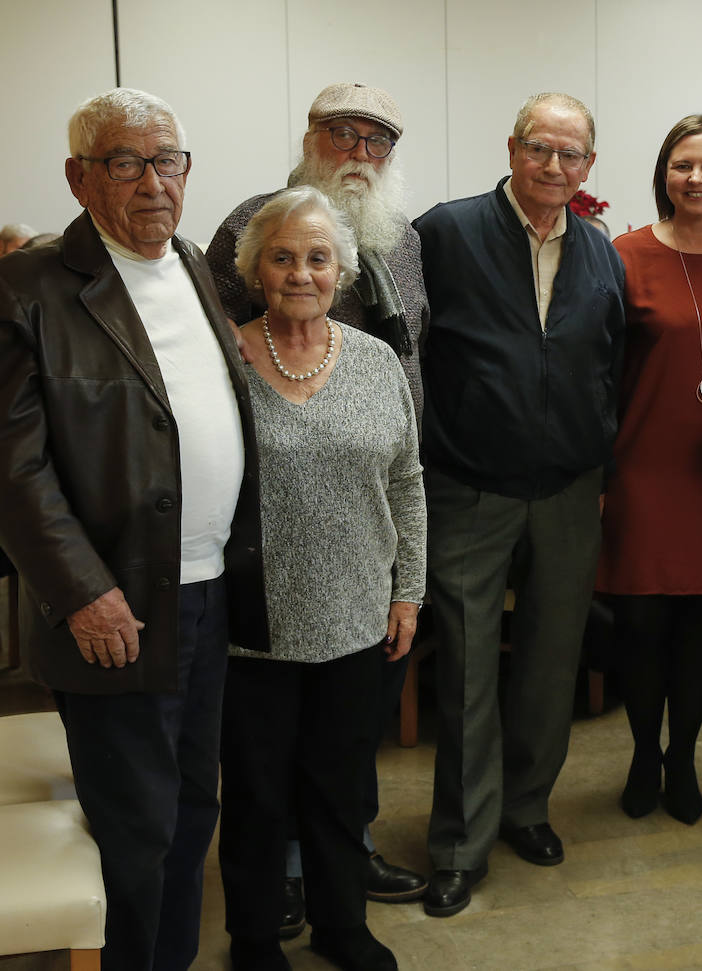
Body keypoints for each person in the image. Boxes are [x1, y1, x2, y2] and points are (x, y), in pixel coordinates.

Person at [0, 88, 267, 971]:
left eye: (169, 162)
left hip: (209, 591)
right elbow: (15, 469)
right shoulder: (28, 288)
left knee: (194, 808)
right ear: (80, 178)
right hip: (118, 605)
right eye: (127, 163)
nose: (154, 183)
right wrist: (81, 591)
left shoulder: (191, 261)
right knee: (137, 823)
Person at [206, 79, 429, 925]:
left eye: (378, 140)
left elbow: (408, 448)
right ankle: (276, 897)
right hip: (258, 578)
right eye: (344, 134)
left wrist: (408, 580)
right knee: (261, 777)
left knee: (342, 766)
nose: (360, 153)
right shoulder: (252, 222)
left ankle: (342, 875)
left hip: (364, 549)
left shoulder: (402, 241)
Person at [414, 91, 625, 918]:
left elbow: (613, 362)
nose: (554, 167)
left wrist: (599, 456)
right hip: (470, 485)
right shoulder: (446, 231)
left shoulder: (601, 252)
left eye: (571, 155)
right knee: (466, 664)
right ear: (511, 148)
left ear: (589, 167)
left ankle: (527, 807)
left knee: (550, 660)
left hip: (571, 488)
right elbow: (414, 348)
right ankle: (460, 843)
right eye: (541, 149)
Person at [597, 114, 702, 825]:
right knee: (640, 627)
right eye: (681, 165)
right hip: (641, 470)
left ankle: (686, 756)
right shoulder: (623, 253)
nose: (695, 178)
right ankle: (642, 753)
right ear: (664, 175)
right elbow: (599, 370)